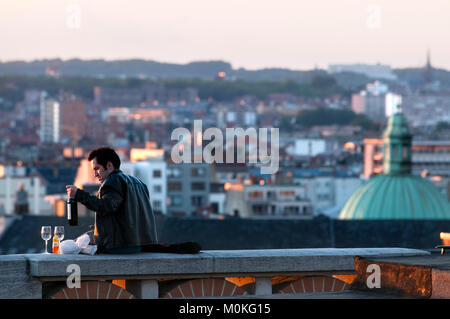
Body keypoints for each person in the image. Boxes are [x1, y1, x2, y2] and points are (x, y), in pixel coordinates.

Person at [66, 146, 158, 254]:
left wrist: (78, 194)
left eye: (97, 169)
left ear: (109, 165)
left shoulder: (113, 180)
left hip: (118, 246)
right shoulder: (139, 183)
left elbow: (106, 206)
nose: (95, 174)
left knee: (70, 247)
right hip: (139, 246)